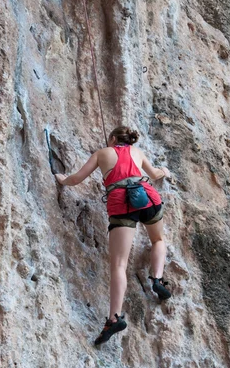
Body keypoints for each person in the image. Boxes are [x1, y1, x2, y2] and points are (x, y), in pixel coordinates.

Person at [55, 126, 171, 345]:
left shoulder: (102, 153)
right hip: (147, 196)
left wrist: (62, 179)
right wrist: (164, 170)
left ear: (112, 139)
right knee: (158, 239)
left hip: (122, 203)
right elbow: (154, 174)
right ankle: (157, 278)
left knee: (119, 264)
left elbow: (76, 178)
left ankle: (114, 318)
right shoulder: (138, 153)